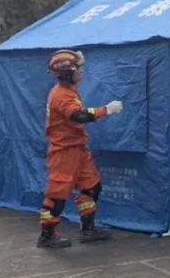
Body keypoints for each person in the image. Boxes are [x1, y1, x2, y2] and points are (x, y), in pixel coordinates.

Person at [39, 50, 123, 249]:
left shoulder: (68, 90)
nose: (81, 73)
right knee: (57, 194)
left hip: (77, 149)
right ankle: (47, 235)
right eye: (78, 69)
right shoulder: (61, 95)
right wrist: (107, 110)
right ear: (68, 73)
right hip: (64, 151)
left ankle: (88, 229)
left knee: (92, 186)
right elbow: (79, 116)